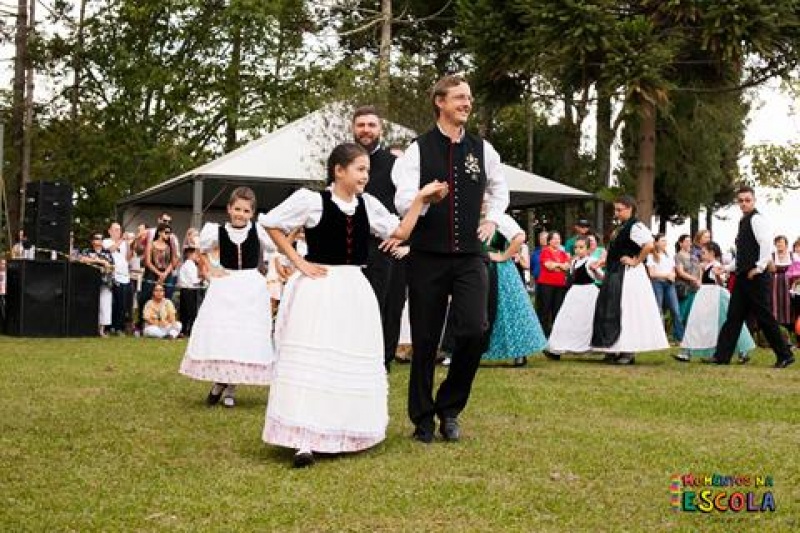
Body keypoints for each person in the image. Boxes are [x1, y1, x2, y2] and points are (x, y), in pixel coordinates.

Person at [260, 142, 447, 467]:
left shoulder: (369, 205)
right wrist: (298, 261)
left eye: (367, 171)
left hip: (353, 290)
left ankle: (341, 429)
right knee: (314, 360)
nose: (365, 176)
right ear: (339, 170)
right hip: (318, 287)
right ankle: (304, 439)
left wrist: (419, 199)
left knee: (347, 357)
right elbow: (271, 222)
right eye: (360, 169)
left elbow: (400, 231)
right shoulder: (312, 201)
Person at [391, 74, 509, 444]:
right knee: (425, 338)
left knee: (474, 329)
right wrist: (425, 198)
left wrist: (493, 218)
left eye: (469, 97)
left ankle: (450, 407)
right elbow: (403, 200)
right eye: (459, 97)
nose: (466, 103)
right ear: (439, 102)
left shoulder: (483, 149)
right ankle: (423, 419)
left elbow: (500, 189)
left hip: (470, 256)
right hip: (427, 255)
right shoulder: (417, 149)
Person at [179, 187, 277, 407]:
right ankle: (220, 382)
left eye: (246, 210)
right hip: (226, 286)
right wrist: (211, 268)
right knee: (225, 336)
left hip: (251, 288)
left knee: (243, 337)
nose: (241, 214)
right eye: (237, 209)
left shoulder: (258, 230)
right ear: (229, 209)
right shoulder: (216, 231)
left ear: (252, 213)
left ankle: (230, 388)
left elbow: (275, 245)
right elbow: (201, 250)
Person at [707, 186, 795, 368]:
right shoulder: (743, 221)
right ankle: (721, 356)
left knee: (764, 317)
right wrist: (726, 268)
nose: (744, 203)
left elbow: (765, 244)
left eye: (747, 200)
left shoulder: (757, 219)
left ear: (754, 201)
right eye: (741, 201)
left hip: (756, 279)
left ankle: (785, 355)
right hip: (742, 278)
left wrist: (759, 267)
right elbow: (743, 254)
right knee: (733, 317)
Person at [352, 105, 407, 372]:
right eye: (361, 125)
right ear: (353, 128)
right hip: (352, 246)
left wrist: (404, 239)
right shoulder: (342, 162)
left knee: (389, 305)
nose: (366, 130)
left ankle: (382, 361)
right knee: (354, 304)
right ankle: (355, 357)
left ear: (380, 129)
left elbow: (411, 204)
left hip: (387, 246)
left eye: (371, 125)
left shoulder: (396, 165)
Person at [591, 195, 669, 364]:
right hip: (615, 272)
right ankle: (612, 348)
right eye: (615, 209)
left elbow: (649, 245)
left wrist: (636, 261)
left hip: (628, 275)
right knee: (610, 309)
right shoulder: (621, 228)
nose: (616, 213)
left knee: (627, 310)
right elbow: (617, 250)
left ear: (629, 209)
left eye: (619, 210)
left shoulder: (636, 226)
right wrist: (603, 261)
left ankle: (628, 350)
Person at [481, 212, 546, 367]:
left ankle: (519, 352)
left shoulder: (501, 218)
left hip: (500, 269)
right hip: (476, 265)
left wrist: (504, 256)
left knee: (511, 308)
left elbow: (520, 237)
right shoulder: (471, 215)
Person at [677, 242, 754, 362]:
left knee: (726, 323)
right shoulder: (707, 266)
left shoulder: (716, 266)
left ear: (712, 253)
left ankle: (742, 352)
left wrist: (717, 275)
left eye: (704, 252)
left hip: (716, 296)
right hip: (705, 295)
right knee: (697, 323)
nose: (701, 255)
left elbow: (721, 282)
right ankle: (688, 352)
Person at [545, 236, 603, 357]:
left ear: (588, 249)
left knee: (587, 320)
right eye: (576, 247)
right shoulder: (574, 262)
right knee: (566, 319)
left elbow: (601, 277)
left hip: (588, 293)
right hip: (574, 293)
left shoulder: (591, 261)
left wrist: (596, 270)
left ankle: (587, 346)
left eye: (581, 247)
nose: (578, 250)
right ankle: (557, 347)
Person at [647, 233, 684, 343]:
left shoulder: (669, 255)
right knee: (658, 310)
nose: (665, 243)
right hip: (657, 284)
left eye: (665, 241)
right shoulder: (651, 256)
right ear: (656, 242)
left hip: (669, 284)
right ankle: (659, 338)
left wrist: (672, 275)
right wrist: (666, 275)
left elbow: (673, 270)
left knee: (675, 310)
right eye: (662, 241)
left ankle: (680, 338)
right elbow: (652, 274)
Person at [79, 233, 115, 337]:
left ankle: (101, 330)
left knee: (105, 305)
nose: (99, 240)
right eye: (97, 238)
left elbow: (111, 265)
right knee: (89, 304)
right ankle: (88, 328)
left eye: (101, 238)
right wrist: (100, 261)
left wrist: (106, 265)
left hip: (105, 282)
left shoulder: (107, 252)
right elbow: (82, 259)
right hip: (89, 282)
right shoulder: (87, 251)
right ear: (92, 241)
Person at [536, 231, 570, 338]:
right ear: (549, 241)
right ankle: (543, 334)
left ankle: (556, 334)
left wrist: (556, 265)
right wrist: (560, 266)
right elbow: (549, 266)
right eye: (554, 239)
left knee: (557, 309)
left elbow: (567, 267)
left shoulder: (563, 253)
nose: (557, 241)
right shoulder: (545, 251)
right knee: (545, 309)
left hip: (560, 285)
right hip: (546, 284)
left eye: (558, 238)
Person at [103, 222, 134, 335]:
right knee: (114, 303)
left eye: (119, 230)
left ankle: (119, 327)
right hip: (114, 276)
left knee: (124, 304)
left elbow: (128, 258)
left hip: (125, 275)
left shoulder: (124, 243)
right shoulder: (106, 241)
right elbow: (110, 249)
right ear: (109, 231)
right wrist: (121, 240)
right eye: (115, 230)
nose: (118, 232)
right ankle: (111, 326)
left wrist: (129, 244)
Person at [674, 234, 702, 328]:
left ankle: (688, 334)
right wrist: (694, 279)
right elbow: (680, 272)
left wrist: (699, 280)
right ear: (680, 243)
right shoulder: (678, 256)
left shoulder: (694, 256)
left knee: (691, 314)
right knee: (682, 312)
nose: (689, 243)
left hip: (695, 288)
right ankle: (678, 333)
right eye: (686, 241)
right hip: (684, 288)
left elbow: (699, 269)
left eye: (690, 241)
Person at [177, 246, 204, 337]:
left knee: (185, 312)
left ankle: (185, 330)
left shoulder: (187, 265)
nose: (197, 256)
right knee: (190, 312)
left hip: (186, 290)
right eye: (195, 254)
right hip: (189, 290)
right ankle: (188, 330)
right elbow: (194, 280)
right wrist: (202, 279)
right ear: (190, 254)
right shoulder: (189, 265)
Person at [770, 235, 794, 337]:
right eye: (777, 242)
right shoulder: (772, 255)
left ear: (786, 244)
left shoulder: (792, 255)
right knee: (775, 302)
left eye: (782, 242)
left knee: (788, 303)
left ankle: (788, 328)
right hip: (774, 282)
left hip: (788, 282)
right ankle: (777, 327)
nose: (779, 244)